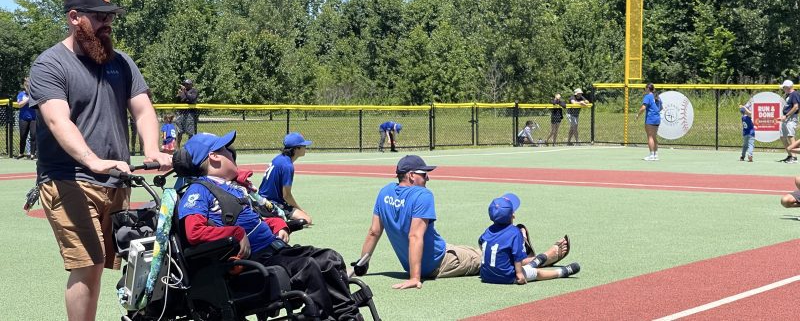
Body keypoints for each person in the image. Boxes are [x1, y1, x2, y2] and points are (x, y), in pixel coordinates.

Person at [27, 0, 172, 320]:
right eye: (99, 17)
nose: (108, 23)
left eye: (111, 17)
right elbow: (56, 120)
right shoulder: (50, 64)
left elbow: (143, 108)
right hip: (68, 179)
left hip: (116, 180)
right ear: (74, 17)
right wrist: (92, 160)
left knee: (131, 258)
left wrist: (151, 148)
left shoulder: (120, 63)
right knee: (89, 263)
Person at [178, 131, 363, 320]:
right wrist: (236, 233)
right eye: (225, 149)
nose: (231, 152)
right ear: (214, 157)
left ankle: (348, 316)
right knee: (307, 267)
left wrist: (276, 223)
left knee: (330, 258)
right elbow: (194, 231)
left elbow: (251, 218)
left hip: (275, 252)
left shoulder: (232, 187)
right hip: (252, 264)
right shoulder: (199, 190)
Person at [354, 155, 482, 289]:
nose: (428, 178)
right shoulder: (422, 195)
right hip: (439, 262)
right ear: (411, 175)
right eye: (424, 174)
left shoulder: (385, 192)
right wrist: (415, 278)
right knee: (486, 259)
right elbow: (415, 236)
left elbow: (374, 232)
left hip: (418, 261)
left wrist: (362, 263)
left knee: (472, 250)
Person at [479, 193, 579, 284]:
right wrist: (519, 274)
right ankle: (561, 272)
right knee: (537, 273)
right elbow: (517, 257)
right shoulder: (515, 232)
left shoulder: (488, 231)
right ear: (513, 215)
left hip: (485, 276)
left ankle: (538, 260)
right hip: (507, 277)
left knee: (519, 266)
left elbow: (481, 243)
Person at [258, 132, 314, 225]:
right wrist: (300, 209)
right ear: (296, 149)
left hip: (261, 201)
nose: (305, 148)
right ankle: (277, 220)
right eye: (303, 145)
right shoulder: (287, 166)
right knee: (307, 220)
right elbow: (286, 196)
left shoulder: (279, 158)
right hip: (272, 204)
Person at [636, 83, 662, 161]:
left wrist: (638, 115)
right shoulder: (657, 97)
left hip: (651, 119)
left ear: (648, 89)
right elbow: (661, 108)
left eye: (645, 88)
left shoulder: (647, 97)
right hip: (657, 118)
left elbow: (643, 108)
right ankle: (655, 155)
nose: (644, 90)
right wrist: (655, 112)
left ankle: (651, 155)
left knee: (650, 136)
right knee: (654, 136)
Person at [779, 80, 800, 163]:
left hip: (791, 118)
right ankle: (790, 155)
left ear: (788, 87)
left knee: (791, 136)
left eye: (784, 87)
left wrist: (786, 116)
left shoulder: (795, 94)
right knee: (782, 136)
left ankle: (794, 158)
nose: (783, 89)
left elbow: (796, 107)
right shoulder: (788, 95)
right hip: (786, 118)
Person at [16, 77, 37, 159]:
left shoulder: (35, 94)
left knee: (33, 136)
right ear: (24, 86)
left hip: (33, 118)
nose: (28, 87)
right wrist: (28, 99)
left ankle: (32, 154)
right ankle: (21, 153)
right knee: (23, 136)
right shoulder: (21, 94)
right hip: (23, 119)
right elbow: (19, 104)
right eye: (27, 86)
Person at [175, 79, 199, 148]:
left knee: (190, 132)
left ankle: (190, 147)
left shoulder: (194, 91)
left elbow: (192, 98)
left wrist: (185, 93)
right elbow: (179, 102)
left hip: (190, 113)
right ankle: (178, 147)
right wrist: (178, 96)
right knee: (180, 131)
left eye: (187, 84)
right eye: (185, 84)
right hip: (181, 113)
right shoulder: (182, 92)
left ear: (191, 85)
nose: (185, 85)